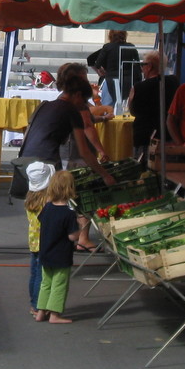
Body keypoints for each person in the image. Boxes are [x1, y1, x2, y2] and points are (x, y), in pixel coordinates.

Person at [20, 73, 113, 252]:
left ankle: (41, 251)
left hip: (28, 160)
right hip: (44, 162)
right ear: (77, 95)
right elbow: (84, 151)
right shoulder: (71, 111)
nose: (83, 106)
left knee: (37, 213)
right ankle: (49, 253)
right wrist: (104, 174)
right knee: (49, 213)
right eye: (83, 101)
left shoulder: (47, 105)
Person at [34, 170, 80, 324]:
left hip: (45, 252)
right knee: (59, 285)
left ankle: (41, 311)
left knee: (45, 283)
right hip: (61, 255)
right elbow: (73, 237)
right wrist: (80, 227)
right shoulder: (69, 213)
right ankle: (54, 314)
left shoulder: (47, 207)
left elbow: (42, 222)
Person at [127, 50, 180, 161]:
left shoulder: (139, 87)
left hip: (146, 138)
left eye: (143, 64)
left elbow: (133, 111)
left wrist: (130, 98)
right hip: (169, 136)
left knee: (145, 169)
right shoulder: (173, 82)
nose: (141, 68)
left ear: (150, 66)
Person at [23, 161, 55, 318]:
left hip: (33, 241)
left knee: (34, 273)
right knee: (42, 276)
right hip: (46, 242)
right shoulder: (48, 202)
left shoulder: (29, 199)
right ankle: (38, 305)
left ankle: (33, 303)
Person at [86, 29, 139, 105]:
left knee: (108, 104)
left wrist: (101, 71)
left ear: (110, 36)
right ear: (124, 35)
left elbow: (97, 64)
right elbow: (137, 65)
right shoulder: (131, 47)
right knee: (125, 104)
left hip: (111, 79)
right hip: (128, 80)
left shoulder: (108, 47)